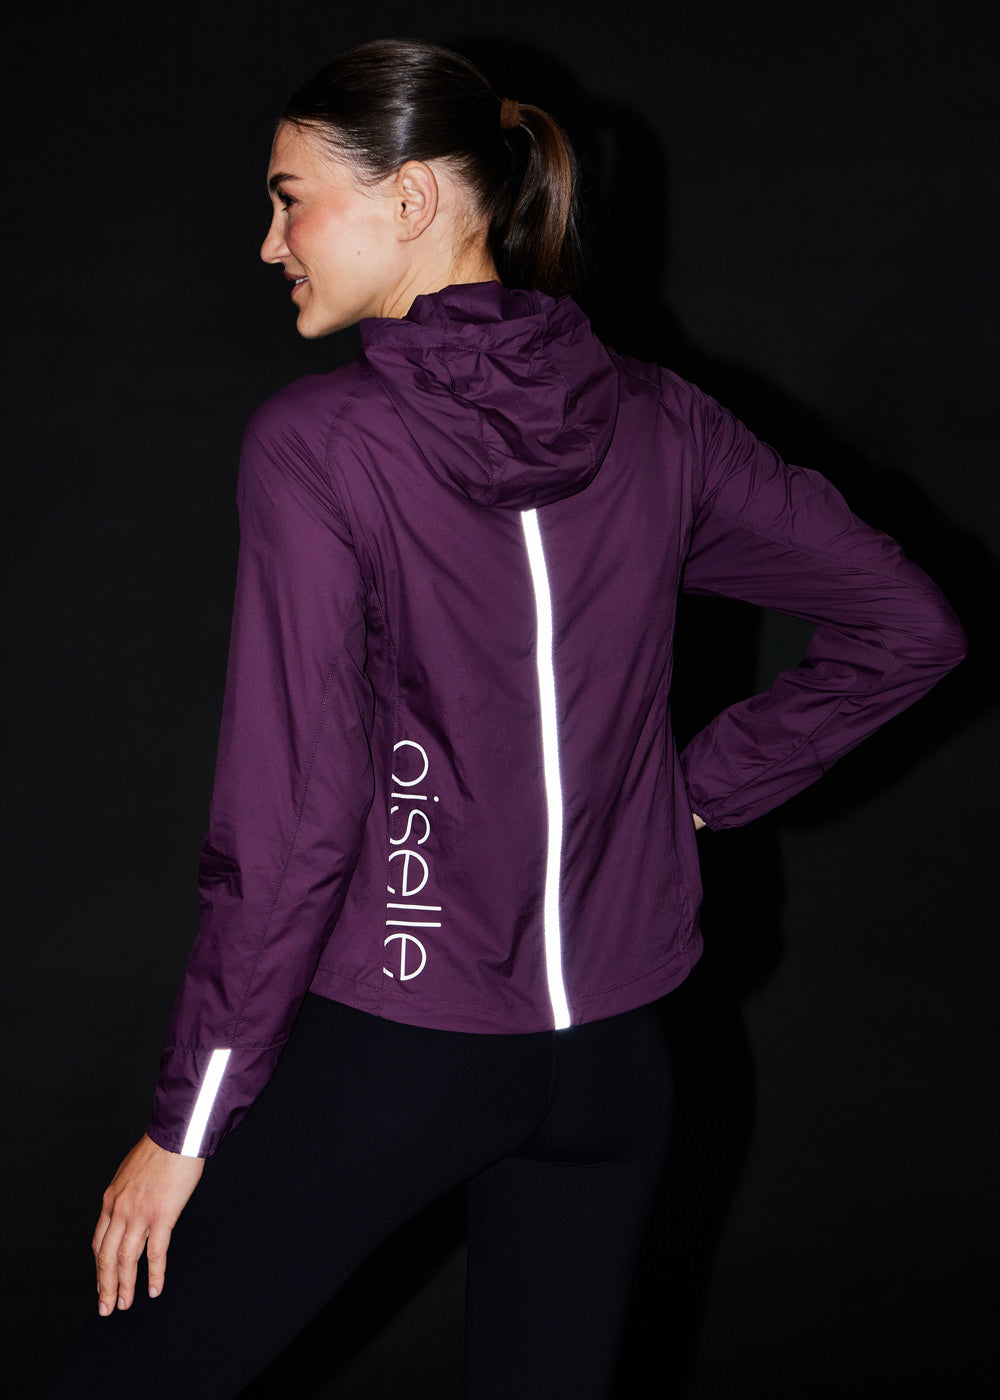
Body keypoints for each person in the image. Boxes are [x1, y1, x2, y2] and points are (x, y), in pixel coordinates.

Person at [45, 36, 966, 1400]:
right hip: (620, 1064)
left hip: (405, 1044)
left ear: (411, 196)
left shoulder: (321, 445)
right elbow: (912, 623)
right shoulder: (660, 422)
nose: (269, 242)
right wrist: (691, 795)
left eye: (291, 199)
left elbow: (293, 824)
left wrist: (191, 1119)